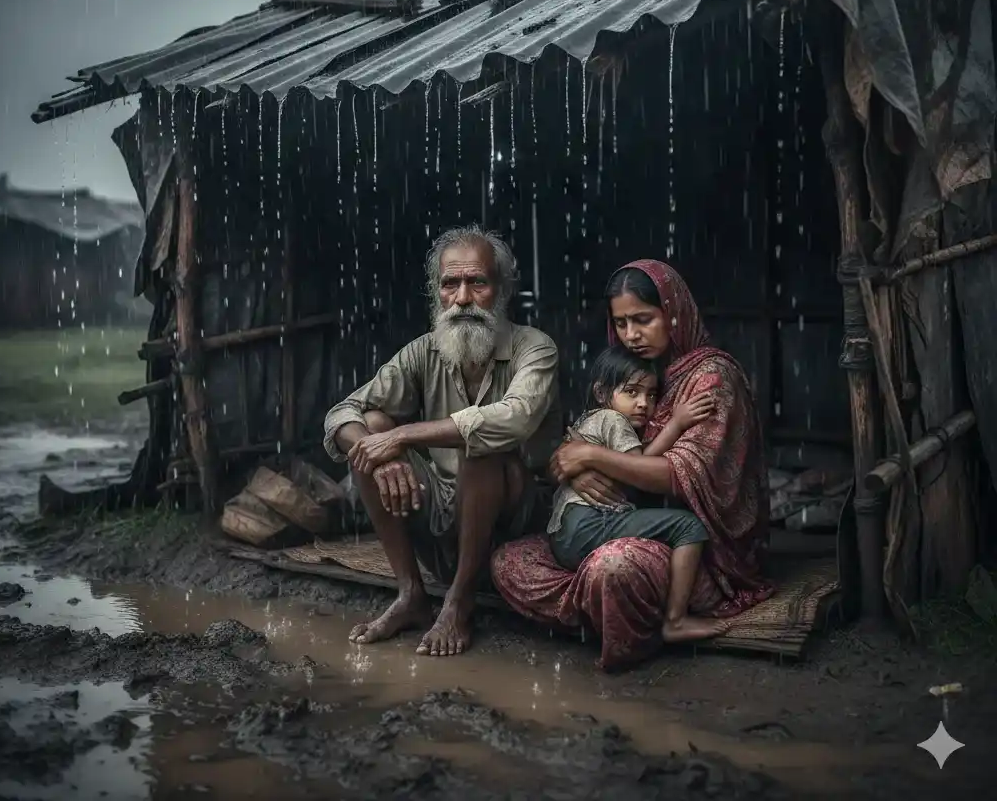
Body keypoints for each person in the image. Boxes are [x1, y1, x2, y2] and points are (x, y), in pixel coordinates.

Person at [491, 260, 773, 670]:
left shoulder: (711, 378)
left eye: (643, 320)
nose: (631, 335)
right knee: (509, 561)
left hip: (696, 551)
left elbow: (676, 476)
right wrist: (575, 468)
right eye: (621, 323)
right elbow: (567, 455)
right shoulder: (632, 372)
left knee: (614, 566)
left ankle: (629, 614)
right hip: (618, 523)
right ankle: (611, 606)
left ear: (674, 312)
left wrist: (591, 457)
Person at [323, 225, 563, 658]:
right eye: (451, 284)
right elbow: (343, 413)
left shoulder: (535, 348)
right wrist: (382, 456)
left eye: (477, 283)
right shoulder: (424, 351)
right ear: (437, 292)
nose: (463, 298)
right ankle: (410, 593)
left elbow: (515, 417)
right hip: (444, 521)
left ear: (502, 290)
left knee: (479, 443)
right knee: (370, 425)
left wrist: (401, 435)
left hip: (515, 524)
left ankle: (459, 602)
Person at [547, 345, 728, 643]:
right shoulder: (614, 420)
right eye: (632, 392)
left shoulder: (587, 420)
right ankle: (676, 620)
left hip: (562, 535)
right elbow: (640, 467)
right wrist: (677, 424)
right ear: (602, 393)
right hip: (587, 525)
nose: (644, 403)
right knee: (689, 526)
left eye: (652, 395)